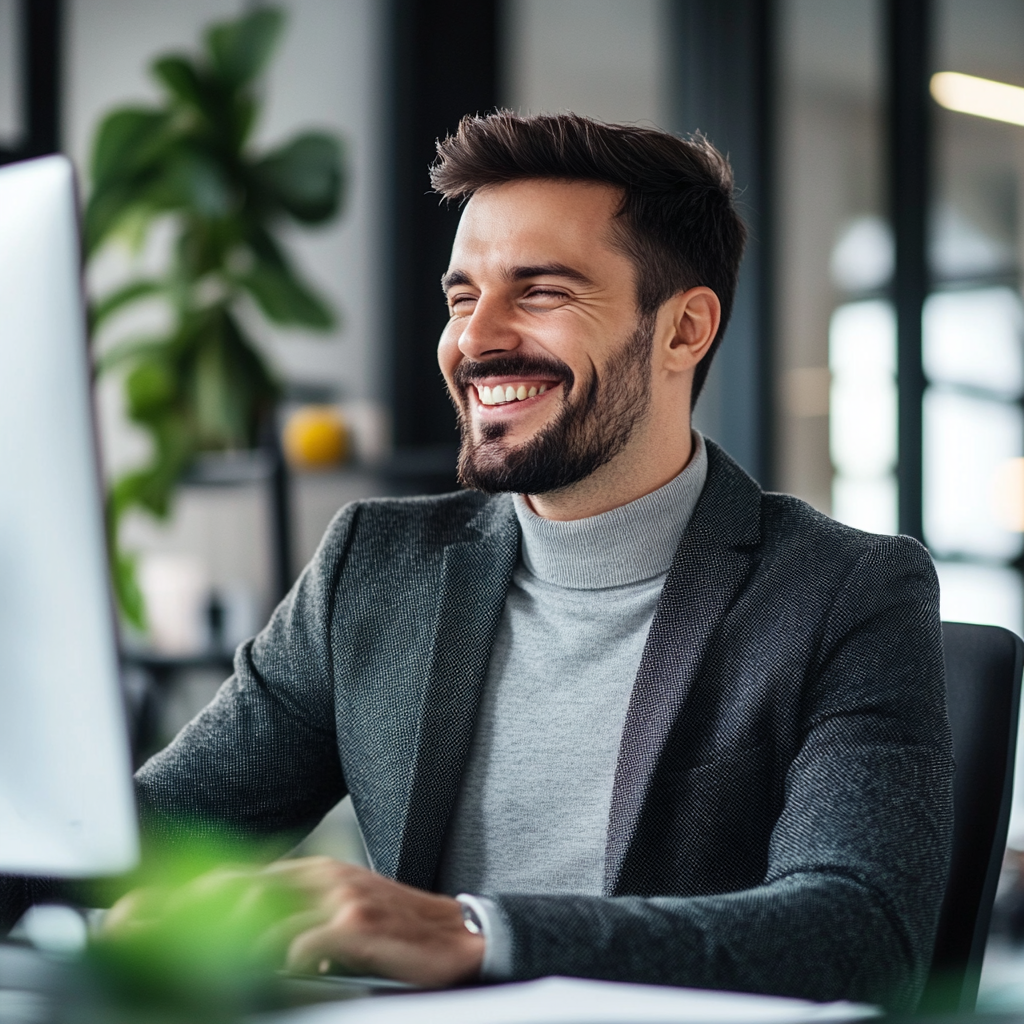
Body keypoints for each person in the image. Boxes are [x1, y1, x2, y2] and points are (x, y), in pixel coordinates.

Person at [118, 113, 954, 1009]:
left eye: (542, 291)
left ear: (684, 330)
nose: (477, 340)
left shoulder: (846, 592)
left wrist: (476, 933)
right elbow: (142, 839)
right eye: (462, 296)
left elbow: (858, 933)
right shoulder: (374, 565)